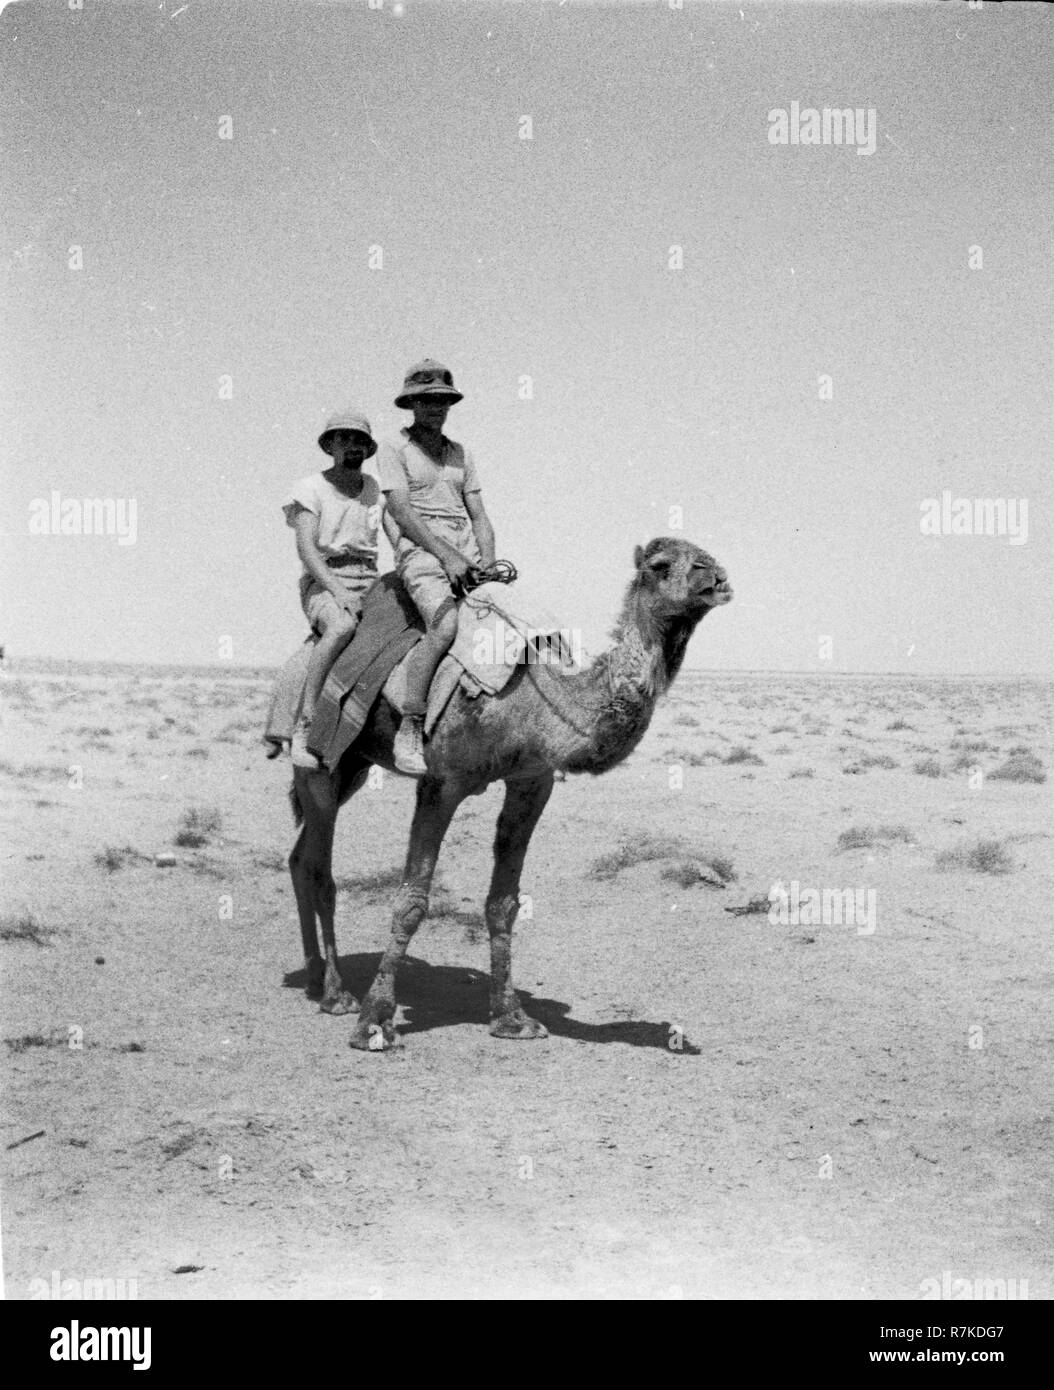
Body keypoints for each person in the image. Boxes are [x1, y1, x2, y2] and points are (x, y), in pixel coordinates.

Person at [377, 359, 496, 775]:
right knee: (444, 627)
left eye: (442, 400)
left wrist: (490, 563)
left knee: (511, 623)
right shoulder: (394, 449)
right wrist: (447, 555)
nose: (435, 407)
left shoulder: (460, 453)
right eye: (426, 400)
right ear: (411, 403)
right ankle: (410, 725)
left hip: (465, 551)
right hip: (422, 551)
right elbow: (402, 513)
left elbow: (479, 514)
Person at [282, 410, 381, 769]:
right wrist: (338, 591)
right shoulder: (310, 488)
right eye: (344, 439)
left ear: (368, 447)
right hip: (325, 577)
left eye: (359, 440)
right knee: (342, 626)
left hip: (370, 576)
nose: (352, 445)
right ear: (331, 446)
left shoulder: (374, 488)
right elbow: (307, 550)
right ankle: (305, 725)